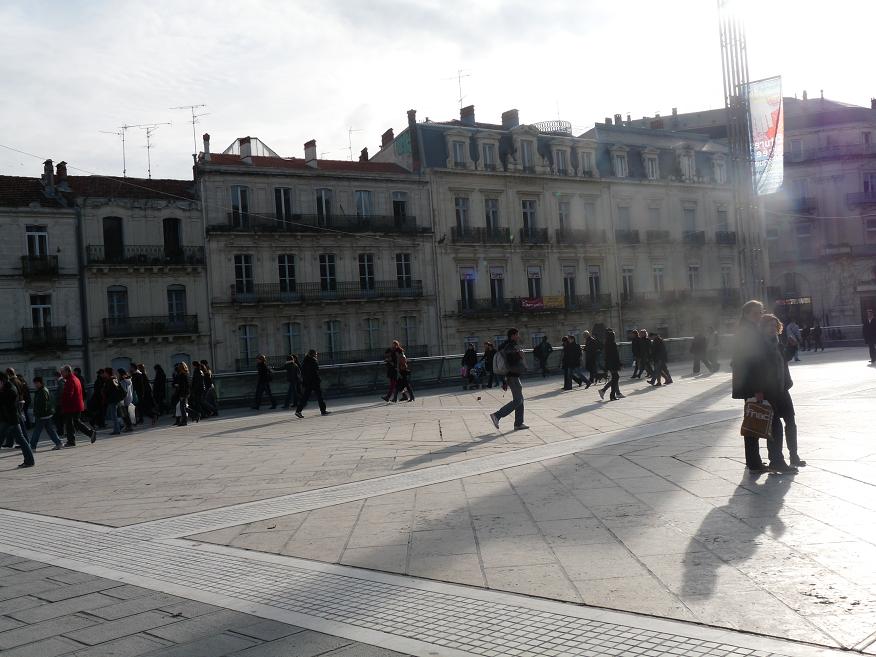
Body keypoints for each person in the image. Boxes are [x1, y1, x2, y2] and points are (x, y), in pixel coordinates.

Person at [731, 300, 792, 473]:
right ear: (748, 314)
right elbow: (751, 363)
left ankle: (754, 463)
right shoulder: (748, 333)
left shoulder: (747, 330)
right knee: (773, 423)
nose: (761, 315)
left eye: (761, 311)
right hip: (758, 385)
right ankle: (776, 461)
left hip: (754, 385)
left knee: (754, 423)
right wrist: (757, 389)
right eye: (758, 312)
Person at [761, 314, 806, 469]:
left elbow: (784, 358)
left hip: (782, 388)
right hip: (769, 390)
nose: (772, 329)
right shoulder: (761, 346)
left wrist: (793, 347)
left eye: (775, 326)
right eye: (769, 326)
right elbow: (756, 370)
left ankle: (794, 455)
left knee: (791, 422)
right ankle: (776, 459)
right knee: (774, 426)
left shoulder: (777, 344)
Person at [489, 328, 528, 431]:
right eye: (517, 335)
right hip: (512, 376)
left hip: (513, 376)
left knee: (520, 399)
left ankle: (518, 423)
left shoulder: (508, 345)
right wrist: (519, 355)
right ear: (513, 335)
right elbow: (509, 362)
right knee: (518, 400)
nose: (518, 336)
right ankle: (497, 415)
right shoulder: (509, 346)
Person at [0, 371, 35, 467]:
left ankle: (29, 461)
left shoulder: (10, 390)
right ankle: (29, 461)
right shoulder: (6, 389)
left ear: (2, 381)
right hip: (9, 419)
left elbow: (7, 405)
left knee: (22, 440)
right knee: (22, 440)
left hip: (10, 420)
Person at [61, 365, 97, 446]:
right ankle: (89, 433)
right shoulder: (75, 378)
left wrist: (62, 402)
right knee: (75, 422)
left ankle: (72, 441)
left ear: (67, 371)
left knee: (70, 423)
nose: (61, 374)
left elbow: (69, 394)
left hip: (71, 405)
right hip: (76, 404)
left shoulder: (70, 380)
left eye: (62, 372)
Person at [30, 376, 62, 450]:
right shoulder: (42, 390)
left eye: (36, 383)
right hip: (46, 414)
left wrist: (39, 414)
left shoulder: (42, 391)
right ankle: (58, 443)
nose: (35, 385)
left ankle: (32, 446)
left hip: (42, 415)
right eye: (35, 383)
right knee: (50, 430)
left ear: (40, 383)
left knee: (37, 431)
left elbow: (44, 404)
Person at [296, 350, 329, 417]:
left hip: (308, 382)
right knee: (320, 397)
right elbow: (316, 371)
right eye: (316, 354)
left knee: (305, 397)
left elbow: (303, 372)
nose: (316, 355)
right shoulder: (313, 361)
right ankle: (323, 411)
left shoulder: (304, 361)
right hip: (314, 381)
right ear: (313, 354)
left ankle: (298, 411)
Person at [598, 329, 624, 400]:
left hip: (610, 364)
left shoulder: (607, 344)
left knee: (615, 378)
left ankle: (609, 394)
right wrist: (619, 363)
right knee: (616, 378)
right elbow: (615, 355)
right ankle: (607, 392)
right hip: (613, 364)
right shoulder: (612, 344)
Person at [172, 362, 190, 426]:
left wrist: (182, 394)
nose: (178, 367)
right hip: (185, 392)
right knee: (182, 407)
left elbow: (183, 386)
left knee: (182, 407)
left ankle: (184, 421)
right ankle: (183, 420)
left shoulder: (182, 375)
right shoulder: (185, 374)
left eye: (179, 366)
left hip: (183, 393)